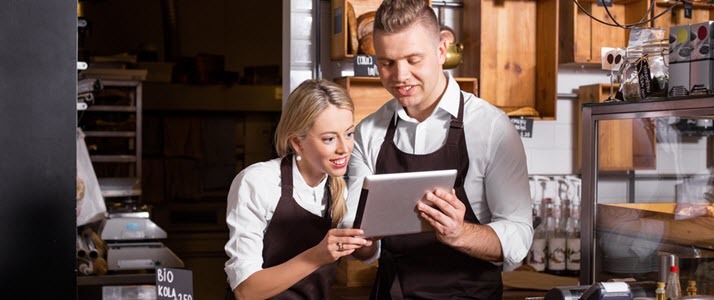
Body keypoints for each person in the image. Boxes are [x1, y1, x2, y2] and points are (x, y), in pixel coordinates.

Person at [348, 0, 533, 298]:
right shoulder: (368, 132)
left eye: (413, 59)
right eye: (387, 63)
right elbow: (364, 247)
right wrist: (359, 240)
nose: (400, 76)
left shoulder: (492, 128)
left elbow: (519, 239)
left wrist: (460, 233)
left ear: (441, 50)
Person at [224, 79, 371, 299]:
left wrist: (369, 241)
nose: (344, 149)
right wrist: (316, 256)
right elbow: (246, 291)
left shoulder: (342, 189)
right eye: (329, 138)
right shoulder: (258, 182)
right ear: (297, 142)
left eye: (349, 134)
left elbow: (362, 254)